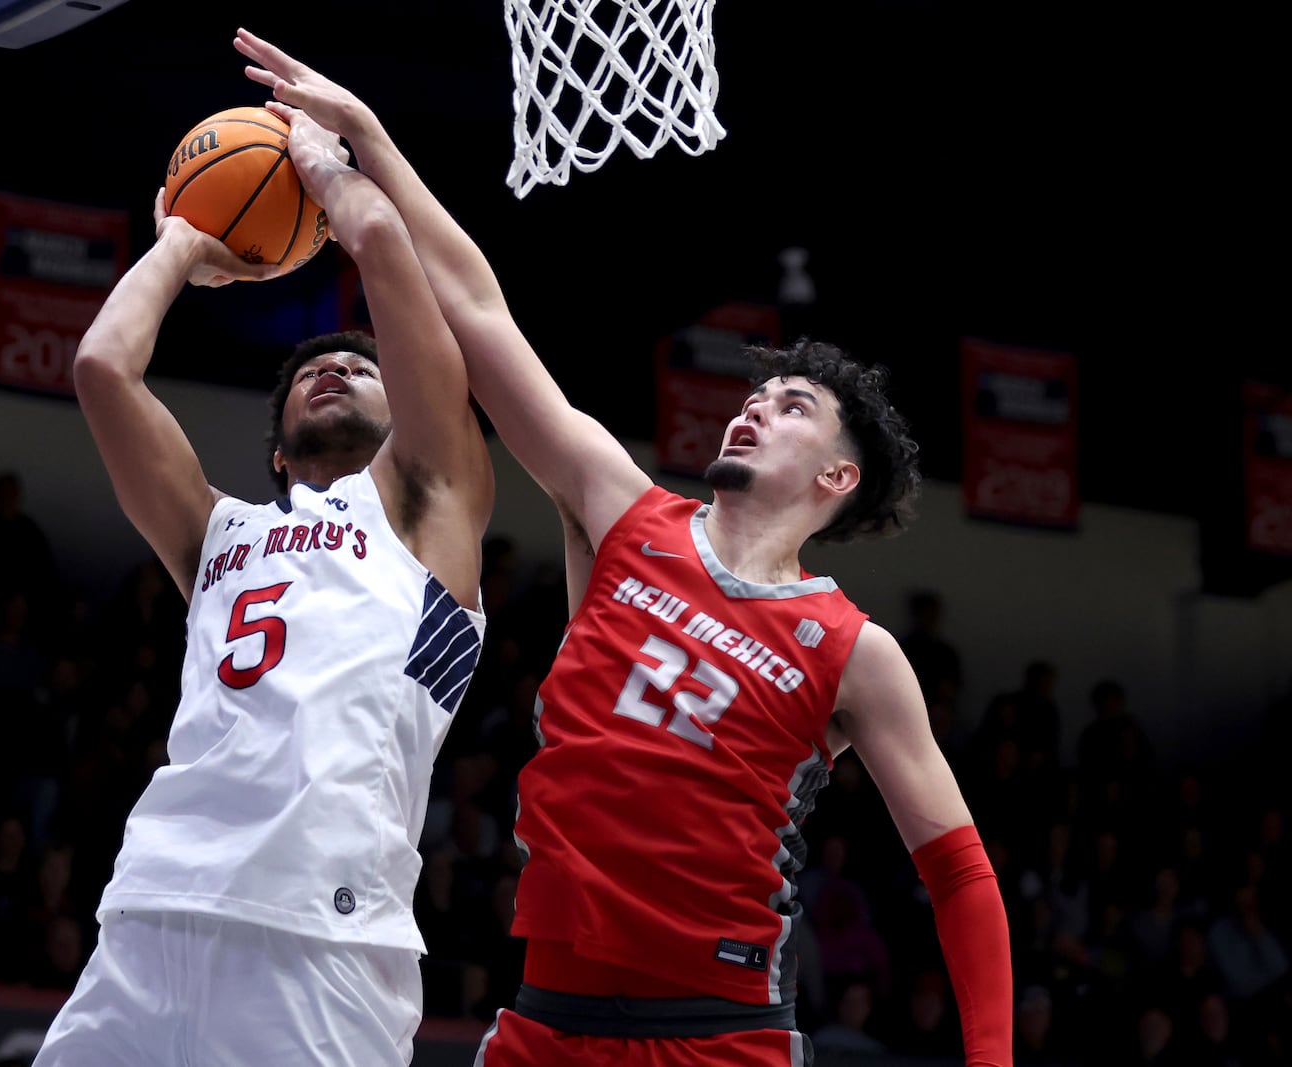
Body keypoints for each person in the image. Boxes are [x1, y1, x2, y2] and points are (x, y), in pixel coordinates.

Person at [235, 28, 1013, 1066]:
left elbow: (957, 869)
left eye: (789, 407)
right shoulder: (619, 507)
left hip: (718, 1036)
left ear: (837, 477)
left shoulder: (852, 647)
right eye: (752, 394)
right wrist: (367, 140)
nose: (753, 409)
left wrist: (993, 1056)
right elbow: (475, 306)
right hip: (546, 1023)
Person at [31, 83, 496, 1066]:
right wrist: (182, 245)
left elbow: (396, 276)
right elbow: (102, 370)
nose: (334, 369)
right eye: (310, 372)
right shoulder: (216, 533)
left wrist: (332, 174)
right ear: (278, 451)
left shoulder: (428, 503)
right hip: (154, 906)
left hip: (320, 934)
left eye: (359, 366)